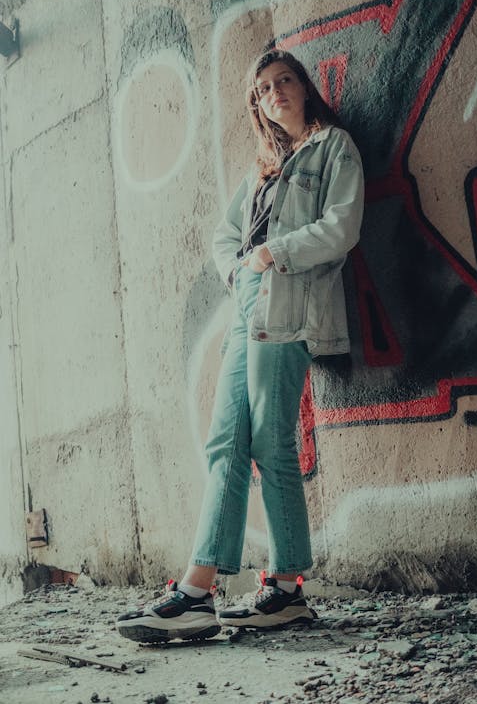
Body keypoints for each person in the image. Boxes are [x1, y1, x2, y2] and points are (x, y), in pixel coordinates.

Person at [117, 49, 364, 643]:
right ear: (257, 105)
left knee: (269, 440)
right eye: (264, 88)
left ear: (304, 88)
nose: (275, 91)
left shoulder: (334, 147)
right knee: (225, 438)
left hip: (290, 305)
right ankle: (211, 595)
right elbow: (224, 235)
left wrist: (274, 253)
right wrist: (238, 270)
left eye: (285, 81)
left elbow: (342, 226)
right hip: (248, 303)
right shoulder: (262, 167)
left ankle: (263, 588)